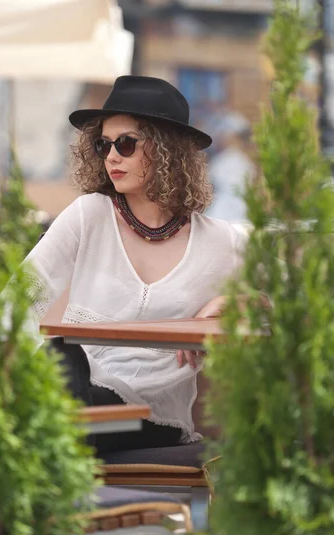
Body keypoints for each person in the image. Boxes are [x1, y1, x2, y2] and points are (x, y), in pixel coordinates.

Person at [18, 76, 247, 454]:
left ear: (167, 150)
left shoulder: (221, 242)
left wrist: (237, 302)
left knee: (59, 398)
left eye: (126, 144)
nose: (111, 157)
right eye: (103, 144)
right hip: (77, 396)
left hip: (151, 419)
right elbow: (23, 298)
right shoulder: (88, 215)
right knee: (61, 355)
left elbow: (296, 293)